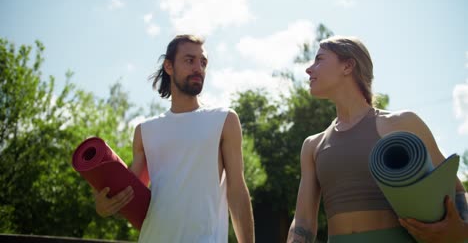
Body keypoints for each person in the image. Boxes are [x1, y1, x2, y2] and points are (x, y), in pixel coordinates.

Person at [287, 36, 468, 243]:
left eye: (319, 60)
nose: (309, 69)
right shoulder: (313, 146)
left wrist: (462, 230)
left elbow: (457, 190)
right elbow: (302, 223)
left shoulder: (402, 124)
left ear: (347, 66)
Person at [93, 35, 255, 243]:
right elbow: (128, 196)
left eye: (203, 62)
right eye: (189, 60)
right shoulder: (145, 131)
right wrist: (103, 205)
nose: (198, 68)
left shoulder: (224, 120)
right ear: (169, 66)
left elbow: (237, 191)